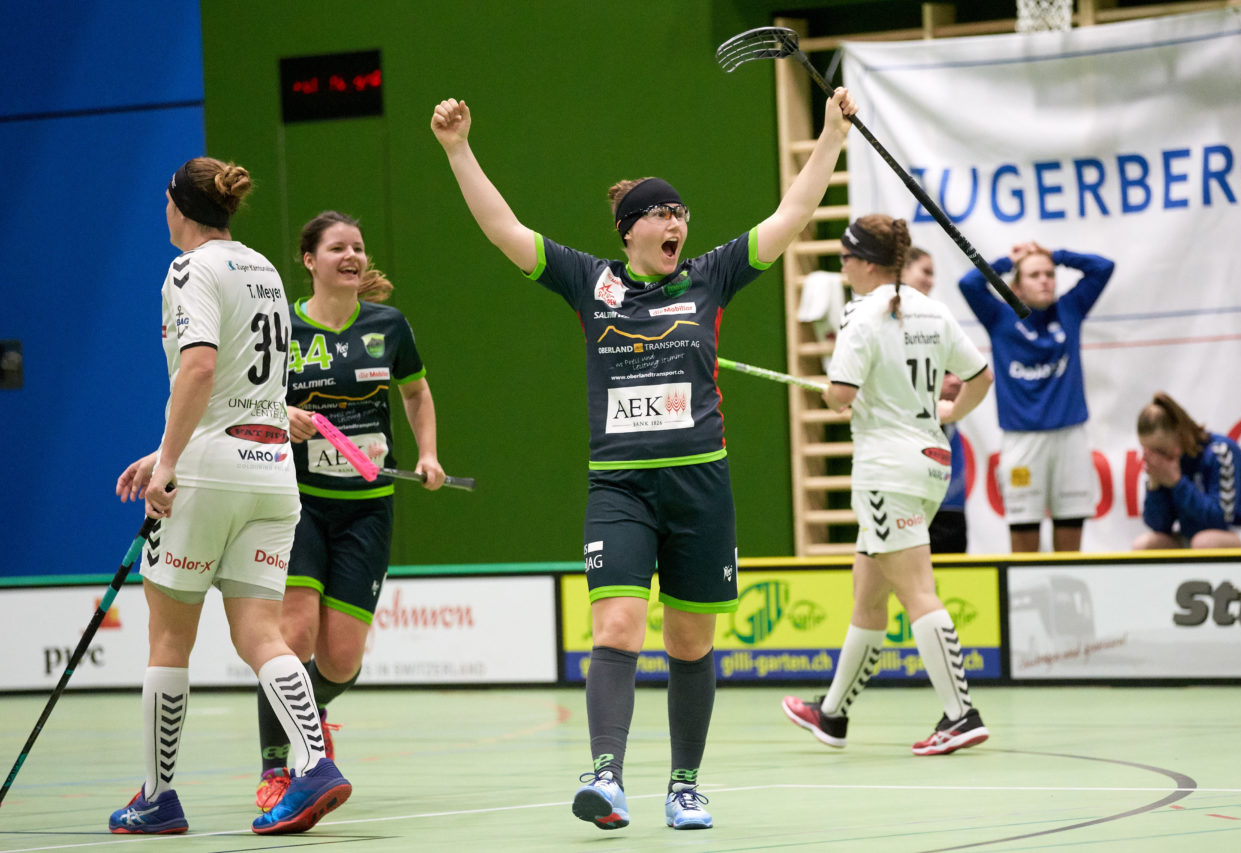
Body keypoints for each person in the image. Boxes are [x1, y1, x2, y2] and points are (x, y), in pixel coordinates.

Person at [430, 88, 856, 831]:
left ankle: (685, 783)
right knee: (617, 627)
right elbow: (505, 231)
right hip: (620, 486)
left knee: (691, 641)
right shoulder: (589, 284)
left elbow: (790, 219)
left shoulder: (711, 276)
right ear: (630, 230)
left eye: (682, 213)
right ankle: (607, 776)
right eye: (663, 213)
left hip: (700, 484)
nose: (677, 223)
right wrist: (458, 148)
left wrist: (828, 137)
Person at [110, 158, 350, 836]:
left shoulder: (189, 270)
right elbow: (244, 387)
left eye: (165, 201)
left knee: (168, 635)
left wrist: (171, 465)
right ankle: (313, 764)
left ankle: (157, 794)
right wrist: (166, 450)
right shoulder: (265, 269)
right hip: (271, 468)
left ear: (180, 208)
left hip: (210, 470)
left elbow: (202, 366)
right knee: (262, 633)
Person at [253, 211, 447, 811]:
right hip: (298, 503)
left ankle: (308, 718)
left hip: (367, 510)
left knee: (340, 660)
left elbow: (415, 392)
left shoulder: (388, 325)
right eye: (337, 248)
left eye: (358, 248)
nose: (351, 256)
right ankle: (278, 767)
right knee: (293, 633)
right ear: (309, 261)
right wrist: (280, 415)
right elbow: (247, 394)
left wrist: (430, 454)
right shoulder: (281, 326)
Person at [782, 214, 994, 756]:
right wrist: (947, 410)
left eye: (846, 256)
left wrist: (827, 391)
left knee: (917, 592)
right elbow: (981, 377)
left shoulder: (861, 319)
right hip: (928, 463)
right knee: (868, 597)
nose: (842, 265)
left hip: (886, 472)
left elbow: (842, 397)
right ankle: (832, 713)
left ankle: (961, 713)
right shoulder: (933, 310)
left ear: (867, 263)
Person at [958, 241, 1114, 552]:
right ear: (1015, 286)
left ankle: (1066, 601)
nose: (1045, 280)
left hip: (1070, 438)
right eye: (1034, 275)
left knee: (1070, 544)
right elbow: (969, 283)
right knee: (1024, 544)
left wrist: (1055, 255)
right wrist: (1009, 261)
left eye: (1049, 274)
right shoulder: (999, 317)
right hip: (1022, 443)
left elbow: (1103, 267)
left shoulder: (1069, 309)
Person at [1133, 392, 1241, 549]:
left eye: (1160, 450)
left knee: (1205, 542)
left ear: (1180, 435)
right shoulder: (1164, 466)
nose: (1154, 458)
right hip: (1201, 536)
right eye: (1148, 451)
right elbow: (1160, 526)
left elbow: (1220, 520)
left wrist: (1177, 483)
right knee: (1145, 545)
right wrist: (1155, 487)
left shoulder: (1220, 452)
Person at [901, 246, 966, 552]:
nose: (929, 281)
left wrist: (951, 397)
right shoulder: (878, 321)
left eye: (932, 275)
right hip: (902, 467)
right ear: (901, 271)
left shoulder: (938, 321)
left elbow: (970, 376)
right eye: (924, 272)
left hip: (944, 466)